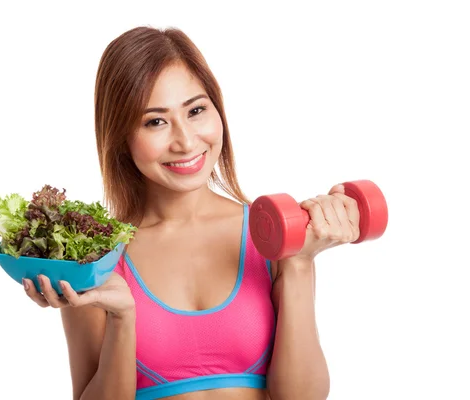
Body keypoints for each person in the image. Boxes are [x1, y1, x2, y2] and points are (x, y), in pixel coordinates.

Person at [22, 26, 360, 400]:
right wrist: (122, 318)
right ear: (121, 136)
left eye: (196, 110)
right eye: (155, 121)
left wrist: (298, 264)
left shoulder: (271, 239)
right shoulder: (98, 259)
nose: (185, 141)